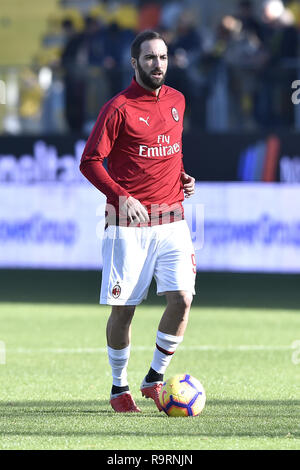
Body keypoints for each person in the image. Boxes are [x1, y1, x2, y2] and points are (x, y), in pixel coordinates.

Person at [80, 30, 196, 413]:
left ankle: (154, 379)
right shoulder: (118, 108)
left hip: (173, 218)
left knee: (182, 298)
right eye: (149, 58)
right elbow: (90, 161)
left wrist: (182, 176)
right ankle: (119, 388)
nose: (157, 64)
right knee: (124, 310)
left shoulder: (178, 100)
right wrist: (121, 196)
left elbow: (170, 151)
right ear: (135, 63)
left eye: (162, 57)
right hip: (128, 225)